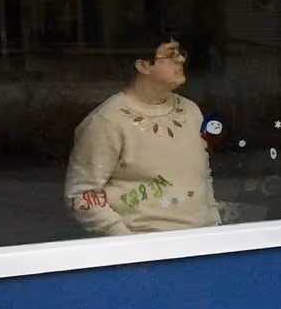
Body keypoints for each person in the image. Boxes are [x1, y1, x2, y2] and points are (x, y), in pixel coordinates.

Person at [64, 30, 221, 235]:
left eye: (180, 52)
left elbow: (202, 174)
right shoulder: (106, 121)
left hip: (205, 243)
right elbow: (81, 195)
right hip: (146, 249)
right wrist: (129, 244)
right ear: (144, 65)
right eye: (171, 54)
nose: (181, 59)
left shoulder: (191, 111)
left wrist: (215, 225)